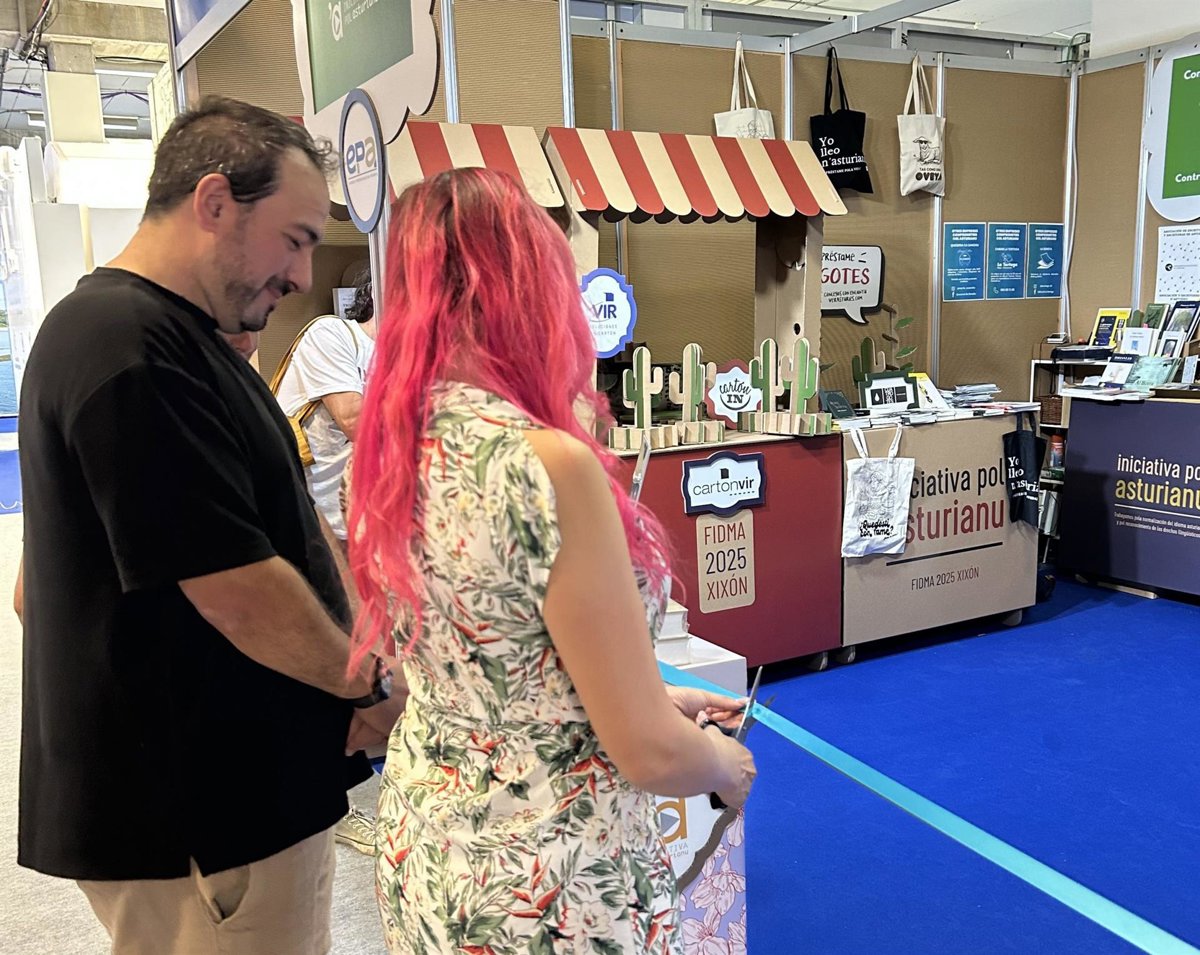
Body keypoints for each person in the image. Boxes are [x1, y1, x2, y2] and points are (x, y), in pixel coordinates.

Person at [15, 96, 403, 955]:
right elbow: (235, 586)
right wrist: (368, 684)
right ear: (215, 202)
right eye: (295, 239)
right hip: (206, 815)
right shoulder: (132, 350)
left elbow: (33, 592)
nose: (303, 274)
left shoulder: (160, 340)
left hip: (209, 803)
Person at [347, 168, 757, 954]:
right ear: (528, 288)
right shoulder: (544, 464)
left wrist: (654, 693)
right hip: (551, 882)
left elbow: (489, 660)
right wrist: (722, 763)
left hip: (432, 853)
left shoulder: (394, 450)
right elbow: (648, 751)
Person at [274, 272, 377, 543]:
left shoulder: (405, 357)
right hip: (318, 523)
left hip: (369, 521)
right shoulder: (331, 333)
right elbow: (354, 421)